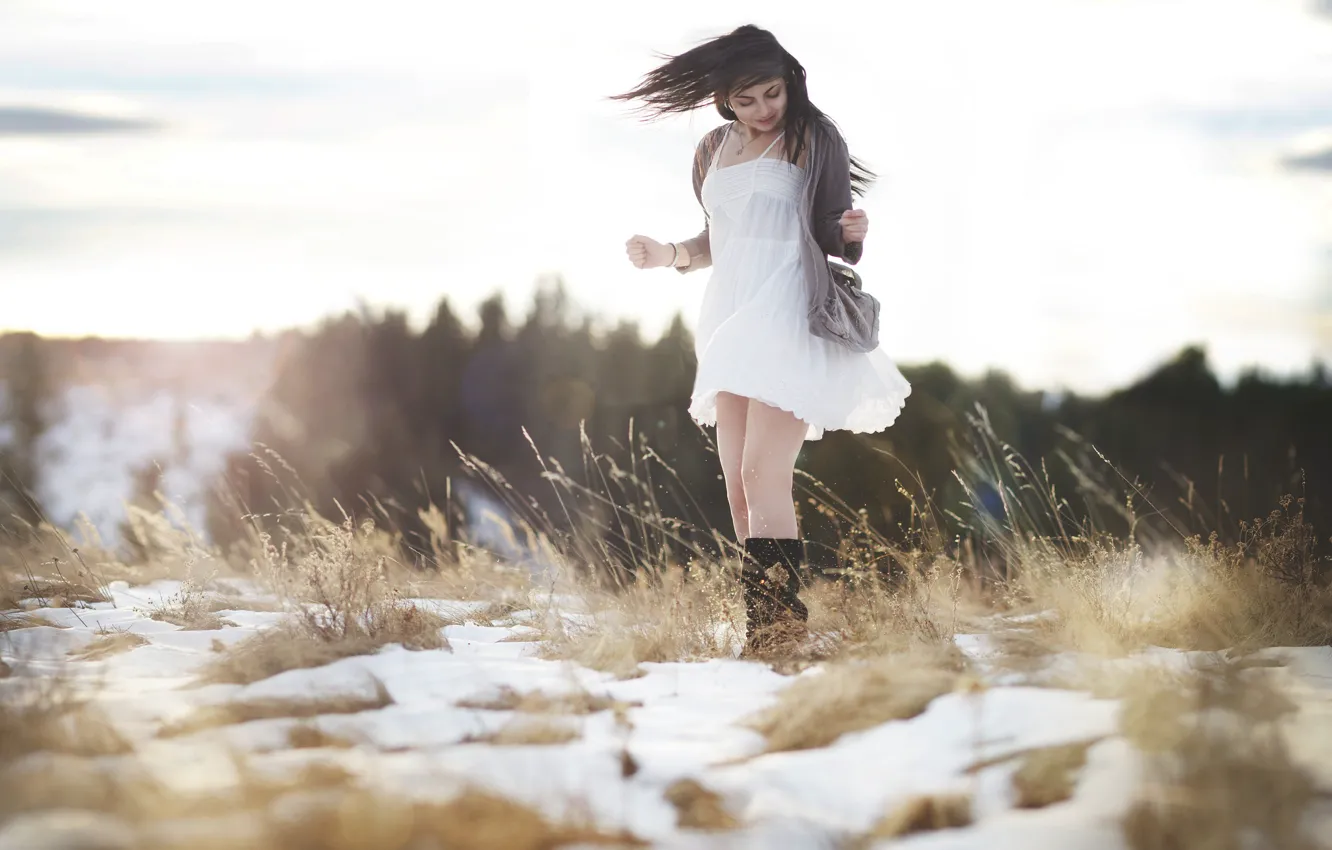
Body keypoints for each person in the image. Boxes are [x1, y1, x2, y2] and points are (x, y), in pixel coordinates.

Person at [613, 24, 912, 656]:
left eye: (771, 94)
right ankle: (766, 631)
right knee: (735, 479)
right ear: (724, 99)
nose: (761, 110)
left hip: (785, 307)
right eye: (745, 100)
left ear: (789, 82)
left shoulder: (812, 135)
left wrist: (853, 230)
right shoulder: (713, 148)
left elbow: (831, 232)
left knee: (762, 468)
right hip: (728, 314)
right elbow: (716, 238)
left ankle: (782, 632)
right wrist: (667, 254)